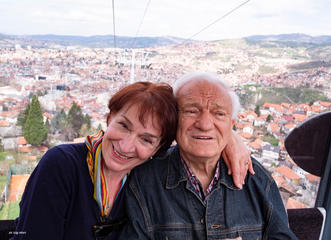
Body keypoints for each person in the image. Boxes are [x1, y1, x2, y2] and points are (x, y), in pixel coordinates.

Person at [12, 81, 251, 240]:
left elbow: (195, 135)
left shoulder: (149, 176)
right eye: (124, 126)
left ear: (159, 148)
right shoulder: (63, 165)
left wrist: (230, 138)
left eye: (146, 140)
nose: (126, 146)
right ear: (109, 117)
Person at [119, 73, 297, 239]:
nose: (204, 124)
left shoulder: (257, 180)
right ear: (174, 119)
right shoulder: (145, 182)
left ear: (231, 125)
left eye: (219, 113)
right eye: (191, 111)